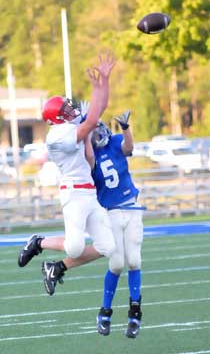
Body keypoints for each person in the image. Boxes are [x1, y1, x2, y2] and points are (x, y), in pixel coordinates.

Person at [18, 53, 116, 296]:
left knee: (107, 246)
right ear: (58, 117)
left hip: (89, 193)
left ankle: (56, 267)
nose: (72, 110)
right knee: (74, 248)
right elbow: (92, 119)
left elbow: (100, 108)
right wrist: (95, 87)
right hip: (73, 194)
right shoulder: (57, 136)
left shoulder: (70, 126)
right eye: (66, 108)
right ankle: (39, 242)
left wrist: (104, 81)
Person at [85, 111, 144, 339]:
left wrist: (126, 127)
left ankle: (135, 311)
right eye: (92, 132)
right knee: (117, 263)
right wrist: (84, 135)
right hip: (110, 213)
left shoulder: (117, 141)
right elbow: (89, 159)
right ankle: (104, 312)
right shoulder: (89, 157)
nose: (98, 134)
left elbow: (129, 148)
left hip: (131, 206)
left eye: (98, 129)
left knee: (135, 260)